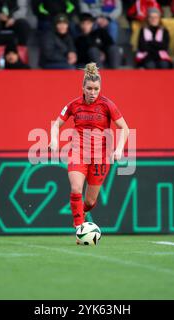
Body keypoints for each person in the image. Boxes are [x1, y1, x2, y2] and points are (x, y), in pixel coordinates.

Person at [49, 62, 129, 234]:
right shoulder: (73, 105)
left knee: (90, 201)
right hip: (77, 153)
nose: (93, 93)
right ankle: (79, 227)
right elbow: (56, 124)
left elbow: (125, 127)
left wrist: (119, 149)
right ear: (83, 87)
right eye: (90, 88)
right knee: (76, 188)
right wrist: (54, 140)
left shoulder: (107, 105)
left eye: (96, 89)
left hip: (101, 157)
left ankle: (81, 212)